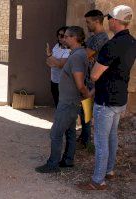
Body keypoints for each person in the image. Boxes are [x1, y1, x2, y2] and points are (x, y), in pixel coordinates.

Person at [78, 5, 136, 190]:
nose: (108, 20)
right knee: (112, 136)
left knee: (101, 141)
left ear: (114, 21)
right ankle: (109, 170)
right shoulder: (132, 42)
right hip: (120, 97)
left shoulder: (111, 45)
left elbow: (94, 75)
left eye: (109, 18)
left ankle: (98, 181)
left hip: (105, 99)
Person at [35, 26, 92, 173]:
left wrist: (87, 95)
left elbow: (80, 84)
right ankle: (68, 160)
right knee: (70, 131)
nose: (63, 39)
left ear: (74, 38)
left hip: (68, 102)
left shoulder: (77, 56)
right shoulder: (76, 54)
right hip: (70, 100)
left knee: (56, 133)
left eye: (66, 36)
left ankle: (53, 164)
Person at [77, 10, 109, 148]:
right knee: (84, 111)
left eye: (88, 22)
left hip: (92, 81)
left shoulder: (100, 38)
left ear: (97, 21)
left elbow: (85, 55)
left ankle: (85, 141)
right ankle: (84, 138)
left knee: (86, 112)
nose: (87, 25)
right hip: (87, 79)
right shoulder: (93, 37)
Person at [46, 26, 71, 107]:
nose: (59, 37)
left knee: (62, 105)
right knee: (57, 103)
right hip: (54, 79)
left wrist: (50, 56)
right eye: (58, 35)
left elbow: (61, 65)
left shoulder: (68, 50)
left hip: (63, 82)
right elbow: (48, 62)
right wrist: (55, 62)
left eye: (62, 35)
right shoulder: (57, 46)